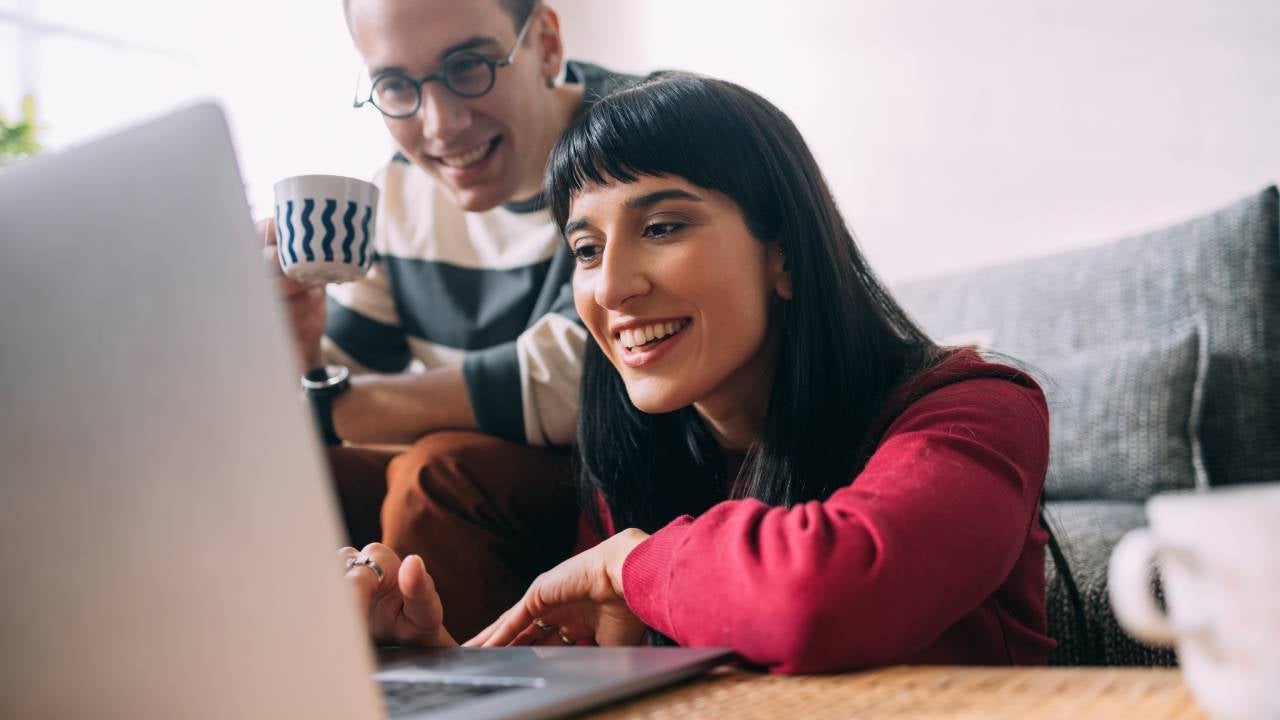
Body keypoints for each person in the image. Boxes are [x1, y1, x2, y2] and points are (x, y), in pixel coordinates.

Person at [339, 71, 1056, 673]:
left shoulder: (977, 409)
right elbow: (600, 670)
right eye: (586, 249)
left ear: (785, 253)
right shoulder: (641, 455)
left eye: (661, 228)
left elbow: (820, 601)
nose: (612, 286)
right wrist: (444, 667)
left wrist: (632, 565)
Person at [261, 0, 637, 639]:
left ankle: (461, 695)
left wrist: (330, 404)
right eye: (395, 87)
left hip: (613, 473)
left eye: (468, 66)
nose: (440, 125)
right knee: (294, 474)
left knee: (435, 474)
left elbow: (568, 383)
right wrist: (298, 350)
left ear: (545, 44)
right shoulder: (400, 191)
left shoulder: (625, 140)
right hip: (486, 487)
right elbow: (336, 391)